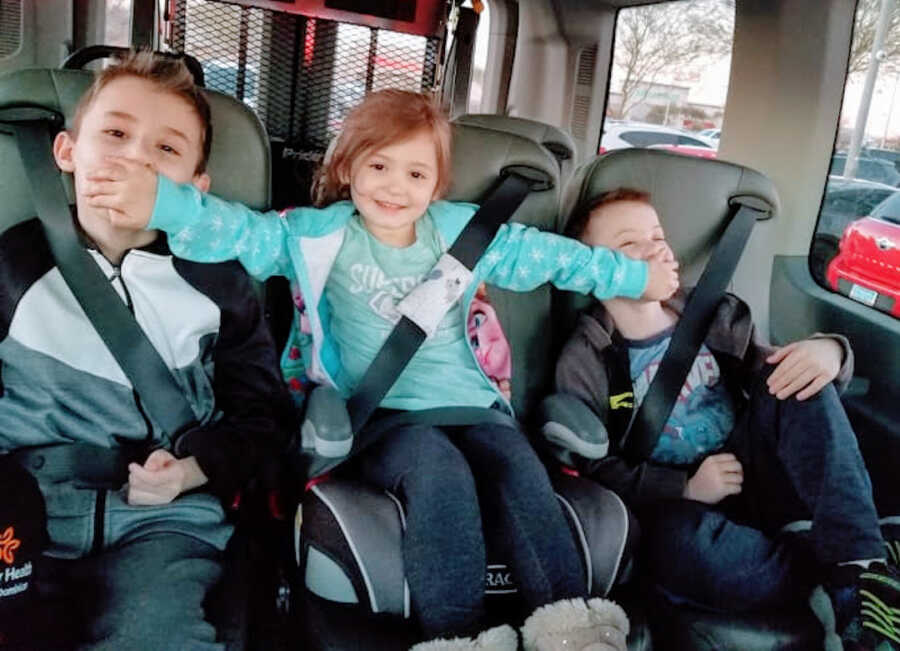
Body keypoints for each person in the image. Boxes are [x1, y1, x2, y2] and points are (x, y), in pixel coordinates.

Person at [81, 90, 675, 650]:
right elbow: (236, 231)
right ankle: (458, 636)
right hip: (383, 417)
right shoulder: (315, 234)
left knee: (520, 468)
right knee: (438, 473)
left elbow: (554, 259)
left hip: (475, 406)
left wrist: (635, 277)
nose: (396, 188)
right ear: (348, 166)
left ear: (437, 184)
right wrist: (161, 201)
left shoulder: (464, 232)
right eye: (379, 167)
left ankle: (571, 628)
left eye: (416, 175)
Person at [0, 51, 290, 649]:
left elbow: (264, 419)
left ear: (195, 189)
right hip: (19, 510)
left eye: (166, 150)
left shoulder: (220, 283)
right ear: (66, 152)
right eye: (114, 134)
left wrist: (195, 468)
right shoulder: (11, 266)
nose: (135, 158)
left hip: (165, 525)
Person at [554, 188, 900, 650]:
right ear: (589, 268)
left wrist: (830, 351)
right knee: (678, 547)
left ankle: (860, 569)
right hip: (681, 503)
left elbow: (776, 374)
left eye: (658, 236)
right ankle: (825, 576)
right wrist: (685, 488)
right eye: (629, 245)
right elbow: (595, 471)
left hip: (757, 466)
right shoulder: (586, 358)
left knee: (794, 377)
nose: (655, 247)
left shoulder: (710, 312)